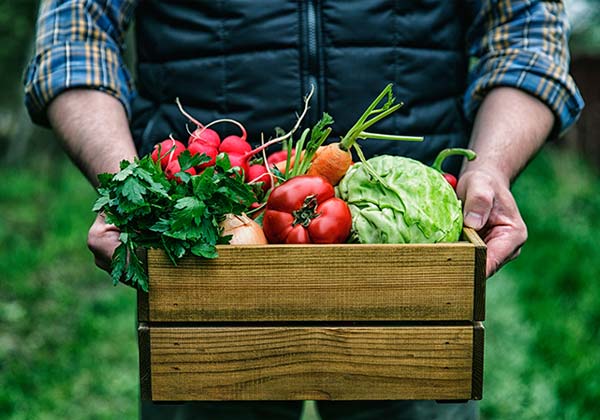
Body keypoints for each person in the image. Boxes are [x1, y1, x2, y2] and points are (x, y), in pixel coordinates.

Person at [24, 1, 583, 419]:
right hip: (205, 250)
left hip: (407, 255)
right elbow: (75, 37)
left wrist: (491, 168)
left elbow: (526, 35)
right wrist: (132, 186)